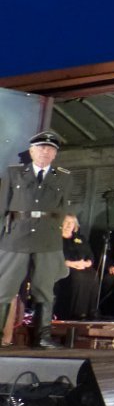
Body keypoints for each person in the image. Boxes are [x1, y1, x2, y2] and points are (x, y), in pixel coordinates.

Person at [0, 131, 77, 349]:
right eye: (41, 148)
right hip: (16, 238)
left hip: (47, 239)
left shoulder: (64, 177)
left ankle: (43, 337)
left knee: (44, 289)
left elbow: (64, 208)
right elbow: (2, 207)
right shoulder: (14, 173)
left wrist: (60, 229)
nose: (45, 152)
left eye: (50, 149)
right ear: (31, 151)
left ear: (55, 154)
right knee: (4, 288)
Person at [54, 216, 98, 320]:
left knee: (93, 275)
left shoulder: (80, 238)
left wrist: (87, 263)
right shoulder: (56, 238)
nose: (69, 225)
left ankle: (89, 311)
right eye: (67, 222)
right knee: (77, 277)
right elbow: (55, 256)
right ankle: (74, 312)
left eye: (72, 222)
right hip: (64, 265)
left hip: (82, 266)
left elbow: (90, 255)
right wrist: (70, 263)